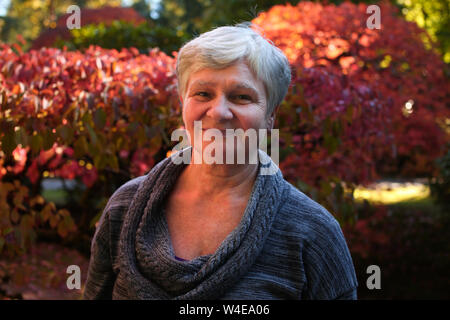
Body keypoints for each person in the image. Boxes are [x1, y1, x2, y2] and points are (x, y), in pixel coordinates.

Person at [83, 24, 358, 300]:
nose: (219, 112)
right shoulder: (124, 207)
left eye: (241, 97)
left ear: (271, 115)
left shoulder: (313, 234)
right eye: (203, 93)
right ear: (183, 102)